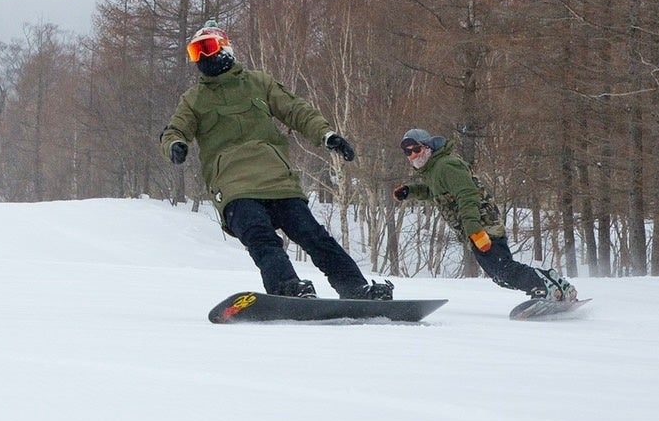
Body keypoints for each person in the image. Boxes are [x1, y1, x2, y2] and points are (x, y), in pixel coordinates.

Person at [160, 21, 393, 300]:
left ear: (225, 49)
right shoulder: (194, 99)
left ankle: (355, 288)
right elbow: (175, 129)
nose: (203, 58)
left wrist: (327, 135)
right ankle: (287, 288)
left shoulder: (259, 83)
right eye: (195, 52)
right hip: (234, 186)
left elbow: (296, 111)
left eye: (207, 48)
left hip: (277, 180)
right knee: (261, 236)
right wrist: (175, 145)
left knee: (314, 236)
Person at [392, 129, 576, 302]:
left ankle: (543, 288)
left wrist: (475, 230)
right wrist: (410, 191)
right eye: (408, 153)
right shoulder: (434, 170)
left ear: (427, 148)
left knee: (502, 271)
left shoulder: (446, 166)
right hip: (478, 226)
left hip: (482, 225)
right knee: (501, 273)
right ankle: (554, 284)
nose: (412, 156)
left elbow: (467, 195)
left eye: (416, 149)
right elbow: (436, 192)